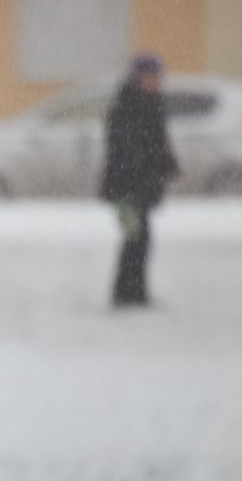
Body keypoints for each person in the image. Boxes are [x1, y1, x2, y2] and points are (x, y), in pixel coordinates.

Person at [101, 54, 180, 308]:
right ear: (138, 78)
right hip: (126, 185)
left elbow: (159, 142)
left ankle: (135, 291)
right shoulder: (126, 107)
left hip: (144, 184)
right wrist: (143, 167)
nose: (155, 82)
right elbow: (125, 147)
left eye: (157, 77)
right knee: (135, 237)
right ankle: (126, 292)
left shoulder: (153, 104)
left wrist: (168, 165)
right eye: (151, 77)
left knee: (140, 238)